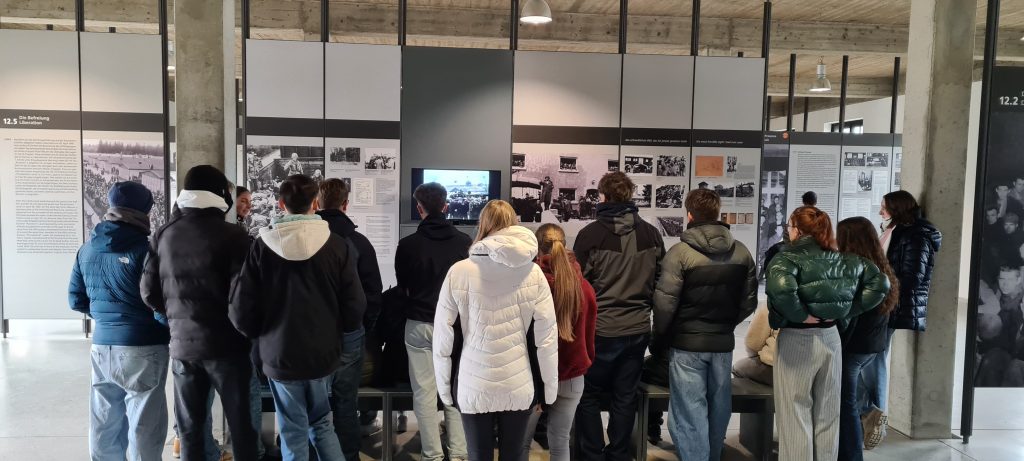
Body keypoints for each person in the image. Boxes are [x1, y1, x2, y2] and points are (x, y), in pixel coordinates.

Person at [230, 174, 366, 461]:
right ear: (315, 203)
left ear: (281, 204)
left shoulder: (262, 246)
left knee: (292, 427)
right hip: (324, 352)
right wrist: (340, 330)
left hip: (279, 353)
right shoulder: (337, 245)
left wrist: (259, 337)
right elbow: (355, 305)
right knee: (322, 422)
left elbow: (242, 308)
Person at [141, 165, 258, 461]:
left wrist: (176, 317)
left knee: (191, 429)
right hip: (228, 348)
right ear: (219, 194)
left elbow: (148, 292)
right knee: (242, 427)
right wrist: (247, 332)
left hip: (183, 347)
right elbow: (246, 296)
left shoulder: (163, 235)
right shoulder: (235, 237)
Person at [433, 200, 559, 461]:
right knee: (513, 455)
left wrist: (444, 388)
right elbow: (546, 338)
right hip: (518, 380)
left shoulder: (459, 272)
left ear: (483, 225)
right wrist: (549, 388)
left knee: (478, 455)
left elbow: (443, 337)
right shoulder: (533, 273)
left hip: (472, 380)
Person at [765, 206, 889, 461]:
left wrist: (801, 315)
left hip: (796, 338)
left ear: (797, 229)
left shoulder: (786, 259)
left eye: (790, 227)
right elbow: (881, 283)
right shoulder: (845, 259)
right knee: (828, 413)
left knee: (795, 412)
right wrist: (848, 311)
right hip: (831, 338)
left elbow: (781, 291)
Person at [652, 189, 757, 461]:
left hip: (686, 345)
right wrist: (725, 325)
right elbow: (749, 302)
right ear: (718, 213)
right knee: (718, 409)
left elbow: (664, 305)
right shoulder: (742, 252)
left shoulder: (679, 254)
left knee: (689, 412)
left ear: (689, 215)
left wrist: (662, 336)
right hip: (722, 344)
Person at [69, 182, 169, 461]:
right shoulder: (148, 250)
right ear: (145, 210)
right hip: (144, 345)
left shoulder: (86, 250)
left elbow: (75, 300)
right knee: (145, 423)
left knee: (103, 421)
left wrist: (107, 318)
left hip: (101, 347)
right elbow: (157, 300)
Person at [572, 172, 665, 461]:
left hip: (600, 330)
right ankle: (619, 454)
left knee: (586, 394)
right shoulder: (651, 234)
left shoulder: (590, 235)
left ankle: (591, 454)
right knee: (625, 396)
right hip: (637, 328)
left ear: (603, 196)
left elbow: (579, 286)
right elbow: (661, 280)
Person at [395, 182, 470, 461]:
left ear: (419, 208)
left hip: (419, 322)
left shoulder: (407, 245)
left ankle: (432, 455)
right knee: (454, 390)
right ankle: (460, 453)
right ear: (446, 206)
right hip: (455, 325)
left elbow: (403, 287)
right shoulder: (465, 243)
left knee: (424, 393)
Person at [861, 191, 941, 448]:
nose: (880, 212)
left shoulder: (916, 235)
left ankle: (875, 416)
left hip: (891, 305)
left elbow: (912, 276)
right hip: (881, 303)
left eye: (884, 207)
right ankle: (871, 414)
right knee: (871, 360)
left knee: (873, 360)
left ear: (897, 208)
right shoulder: (895, 229)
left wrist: (882, 290)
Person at [317, 178, 385, 460]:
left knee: (316, 403)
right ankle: (348, 454)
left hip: (314, 335)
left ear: (317, 203)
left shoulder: (307, 240)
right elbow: (374, 293)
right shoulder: (358, 243)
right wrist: (363, 327)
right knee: (346, 401)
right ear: (346, 204)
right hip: (350, 334)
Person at [520, 224, 598, 461]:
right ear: (565, 246)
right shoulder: (584, 287)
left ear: (536, 247)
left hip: (534, 377)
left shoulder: (529, 285)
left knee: (520, 444)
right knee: (560, 442)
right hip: (573, 376)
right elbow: (589, 335)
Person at [835, 217, 900, 461]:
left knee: (846, 403)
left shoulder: (855, 270)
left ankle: (852, 455)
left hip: (855, 346)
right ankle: (870, 411)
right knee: (851, 397)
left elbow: (849, 313)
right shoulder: (881, 266)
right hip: (872, 346)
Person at [731, 307, 777, 386]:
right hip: (802, 368)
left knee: (737, 368)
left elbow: (752, 344)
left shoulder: (770, 306)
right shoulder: (805, 308)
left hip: (775, 367)